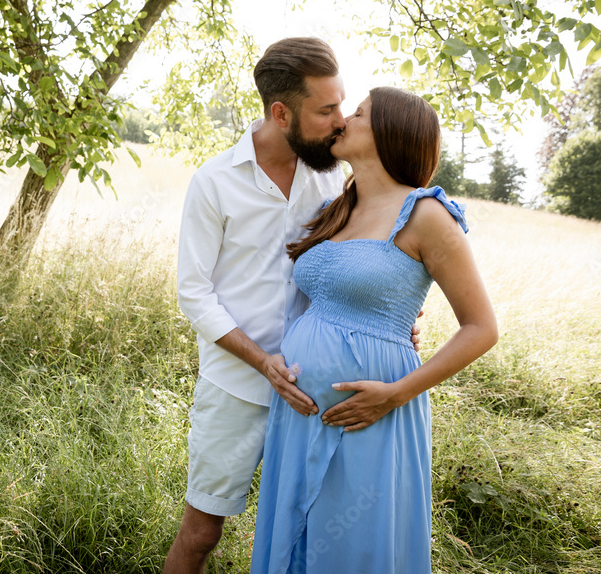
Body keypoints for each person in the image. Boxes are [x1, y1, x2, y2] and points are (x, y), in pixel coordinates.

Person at [165, 39, 421, 573]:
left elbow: (374, 254)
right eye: (325, 110)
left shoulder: (336, 178)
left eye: (342, 104)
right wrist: (263, 363)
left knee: (315, 534)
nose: (340, 120)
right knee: (201, 532)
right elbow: (194, 291)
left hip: (318, 392)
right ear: (281, 114)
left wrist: (395, 316)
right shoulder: (215, 182)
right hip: (237, 386)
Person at [248, 86, 499, 573]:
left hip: (373, 410)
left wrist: (395, 393)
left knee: (354, 543)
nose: (343, 120)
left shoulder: (427, 215)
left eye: (359, 114)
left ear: (390, 132)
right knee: (297, 544)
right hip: (299, 414)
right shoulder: (339, 207)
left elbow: (482, 327)